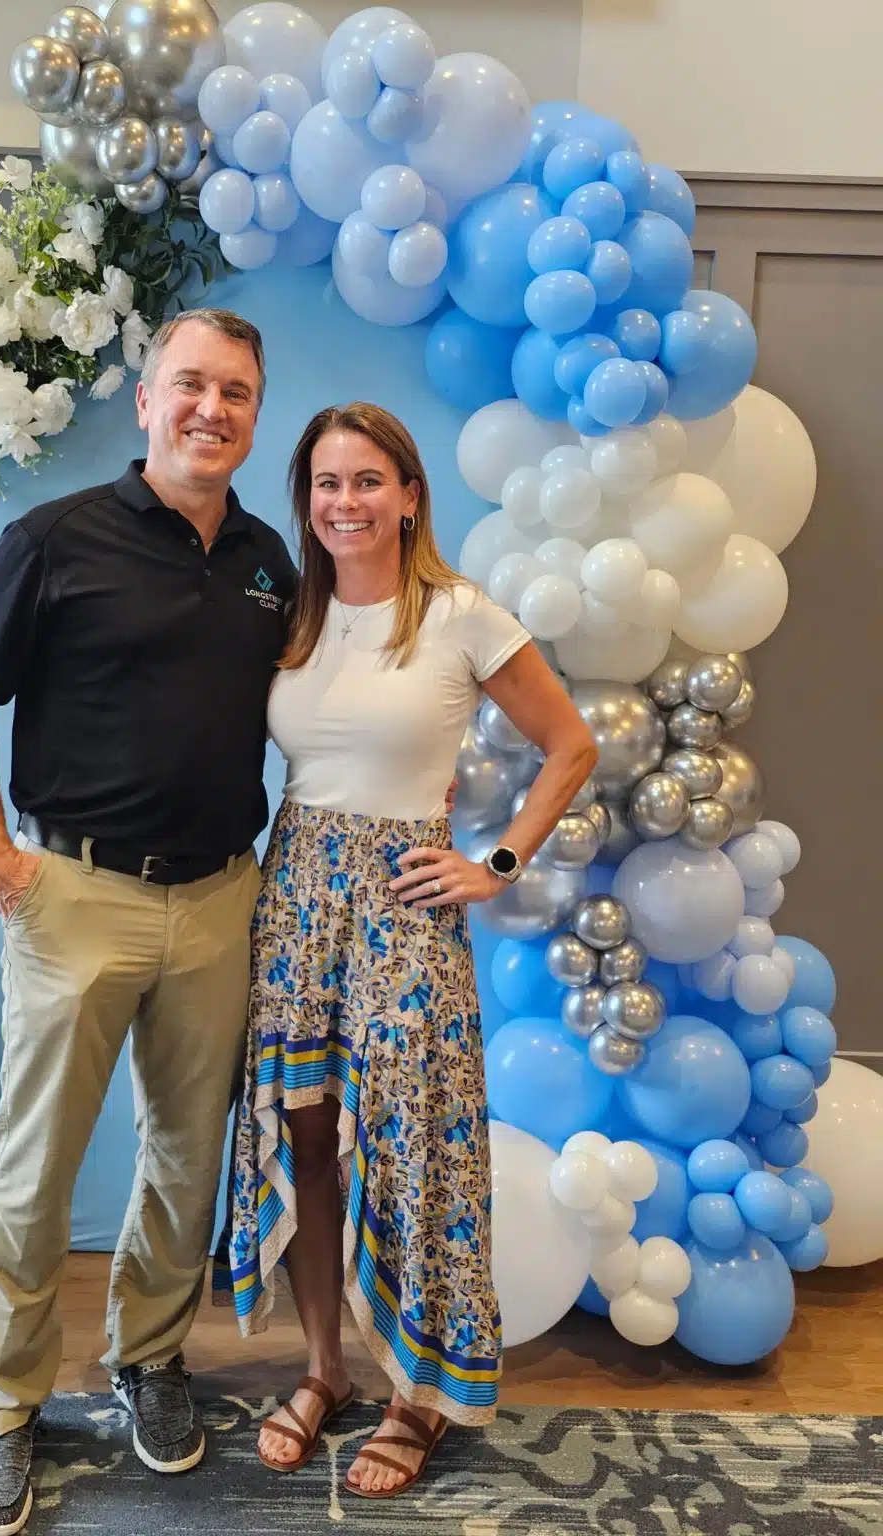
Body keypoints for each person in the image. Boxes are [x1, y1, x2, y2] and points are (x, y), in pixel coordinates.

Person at [0, 309, 299, 1536]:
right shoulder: (54, 538)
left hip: (221, 897)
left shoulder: (268, 563)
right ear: (146, 401)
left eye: (236, 392)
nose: (211, 409)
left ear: (256, 413)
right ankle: (0, 1410)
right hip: (77, 895)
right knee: (34, 1168)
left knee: (189, 1161)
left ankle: (150, 1358)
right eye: (190, 384)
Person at [221, 403, 598, 1499]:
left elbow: (571, 744)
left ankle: (418, 1393)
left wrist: (498, 862)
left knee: (415, 1145)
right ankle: (325, 1368)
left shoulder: (462, 615)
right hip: (296, 893)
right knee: (306, 1133)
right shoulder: (292, 615)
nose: (345, 502)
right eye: (326, 483)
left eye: (367, 480)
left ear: (410, 495)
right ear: (308, 502)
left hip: (404, 903)